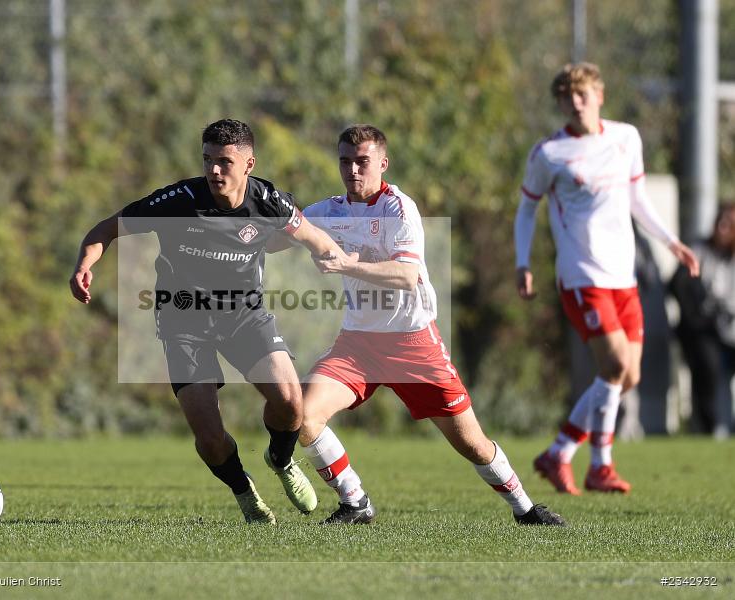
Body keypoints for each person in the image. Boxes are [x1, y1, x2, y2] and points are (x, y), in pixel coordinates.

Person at [270, 124, 565, 526]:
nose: (353, 170)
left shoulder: (398, 208)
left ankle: (527, 509)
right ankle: (355, 502)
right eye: (345, 161)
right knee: (304, 414)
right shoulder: (329, 211)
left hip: (414, 345)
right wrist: (245, 219)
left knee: (473, 444)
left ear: (383, 163)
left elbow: (408, 275)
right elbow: (281, 235)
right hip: (358, 345)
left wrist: (347, 263)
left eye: (362, 162)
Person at [70, 119, 353, 523]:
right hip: (183, 321)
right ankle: (244, 490)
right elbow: (105, 230)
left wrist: (337, 260)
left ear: (249, 164)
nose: (214, 171)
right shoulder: (177, 201)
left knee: (291, 403)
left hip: (244, 316)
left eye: (224, 161)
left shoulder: (269, 201)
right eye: (207, 160)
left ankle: (281, 458)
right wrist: (84, 264)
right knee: (209, 436)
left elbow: (313, 237)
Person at [514, 63, 700, 494]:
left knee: (626, 377)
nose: (575, 103)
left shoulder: (625, 137)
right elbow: (527, 209)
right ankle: (600, 464)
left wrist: (671, 240)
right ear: (559, 103)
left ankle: (560, 451)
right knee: (614, 366)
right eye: (566, 97)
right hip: (582, 275)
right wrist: (522, 263)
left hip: (624, 274)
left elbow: (637, 198)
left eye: (582, 94)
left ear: (600, 95)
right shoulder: (550, 153)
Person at [670, 204, 735, 438]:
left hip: (731, 329)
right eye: (721, 221)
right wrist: (697, 317)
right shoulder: (699, 251)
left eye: (729, 224)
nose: (722, 227)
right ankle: (711, 426)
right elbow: (678, 285)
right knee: (708, 366)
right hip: (704, 330)